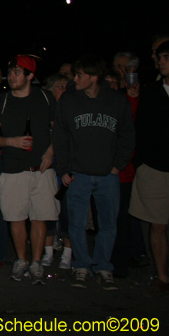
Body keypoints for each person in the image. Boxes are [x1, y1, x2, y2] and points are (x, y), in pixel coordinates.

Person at [54, 55, 135, 291]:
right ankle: (81, 266)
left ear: (94, 77)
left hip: (107, 175)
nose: (75, 79)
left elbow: (127, 134)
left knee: (108, 224)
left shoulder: (116, 101)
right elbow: (60, 136)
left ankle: (103, 267)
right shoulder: (69, 100)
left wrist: (117, 164)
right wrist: (65, 169)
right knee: (76, 224)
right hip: (78, 174)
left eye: (80, 75)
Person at [0, 55, 57, 285]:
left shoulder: (45, 98)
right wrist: (11, 141)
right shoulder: (2, 101)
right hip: (13, 168)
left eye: (18, 72)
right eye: (11, 71)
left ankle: (36, 263)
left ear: (30, 76)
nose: (13, 76)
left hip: (42, 168)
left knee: (40, 217)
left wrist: (50, 152)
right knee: (16, 218)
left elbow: (59, 130)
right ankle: (21, 260)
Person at [129, 40, 169, 297]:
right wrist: (141, 162)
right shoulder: (152, 91)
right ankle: (163, 276)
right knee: (158, 225)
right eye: (160, 57)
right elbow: (141, 129)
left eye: (166, 56)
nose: (161, 61)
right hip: (155, 167)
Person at [40, 72, 74, 270]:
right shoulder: (44, 112)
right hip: (47, 169)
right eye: (60, 86)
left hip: (67, 169)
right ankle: (48, 252)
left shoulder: (71, 110)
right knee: (47, 211)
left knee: (67, 213)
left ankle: (68, 254)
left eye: (66, 87)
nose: (64, 90)